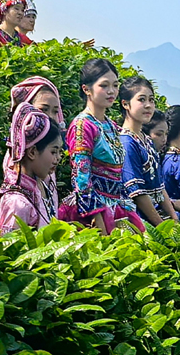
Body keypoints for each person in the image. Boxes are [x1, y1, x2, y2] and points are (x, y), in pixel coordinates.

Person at [59, 58, 144, 235]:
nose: (111, 91)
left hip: (117, 207)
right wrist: (99, 223)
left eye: (115, 85)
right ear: (86, 89)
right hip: (93, 213)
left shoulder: (111, 125)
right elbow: (81, 180)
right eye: (104, 86)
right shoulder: (82, 125)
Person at [117, 77, 178, 226]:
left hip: (154, 218)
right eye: (141, 100)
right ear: (125, 104)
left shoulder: (147, 141)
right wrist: (160, 225)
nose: (148, 105)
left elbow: (159, 186)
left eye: (151, 100)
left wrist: (174, 221)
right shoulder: (126, 141)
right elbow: (137, 193)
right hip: (136, 221)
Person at [0, 103, 61, 234]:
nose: (58, 158)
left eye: (60, 152)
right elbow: (12, 249)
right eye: (53, 152)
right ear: (32, 152)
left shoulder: (35, 189)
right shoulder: (17, 203)